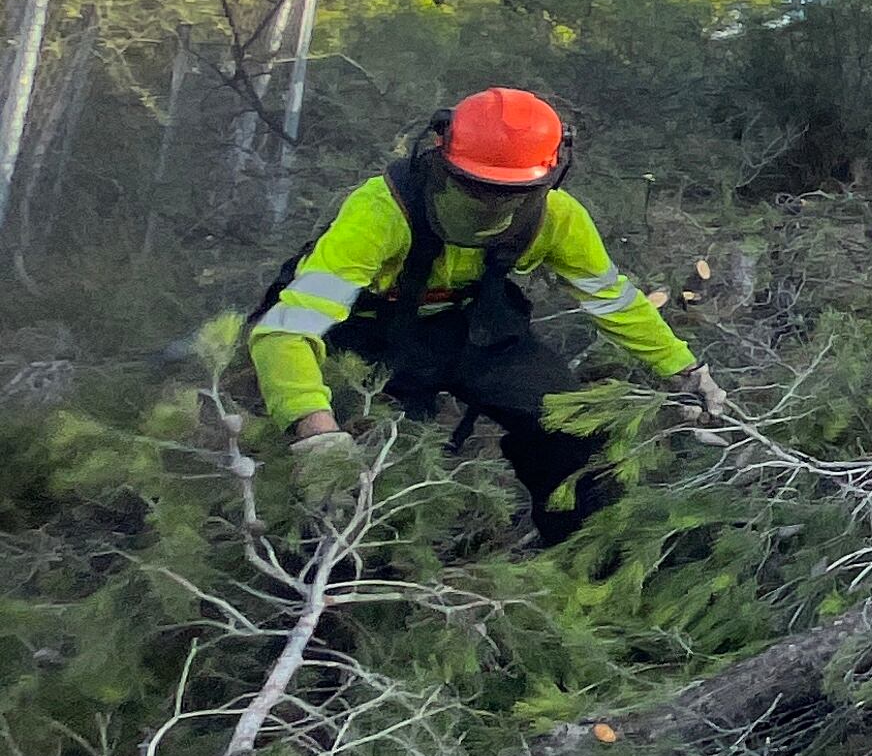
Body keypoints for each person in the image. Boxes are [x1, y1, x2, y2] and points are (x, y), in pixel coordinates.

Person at [249, 86, 729, 538]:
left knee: (575, 432)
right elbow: (290, 327)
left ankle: (586, 561)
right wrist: (314, 431)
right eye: (475, 188)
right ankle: (344, 589)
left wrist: (684, 371)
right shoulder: (380, 211)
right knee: (372, 475)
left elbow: (614, 302)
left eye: (509, 193)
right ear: (439, 157)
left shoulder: (557, 218)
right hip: (365, 336)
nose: (491, 204)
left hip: (472, 327)